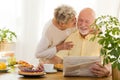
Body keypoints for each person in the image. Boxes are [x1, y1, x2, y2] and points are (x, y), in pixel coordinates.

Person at [56, 8, 111, 77]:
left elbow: (111, 64)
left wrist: (108, 72)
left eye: (87, 21)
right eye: (80, 20)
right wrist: (44, 64)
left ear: (94, 23)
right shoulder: (71, 36)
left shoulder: (102, 39)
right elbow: (58, 58)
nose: (82, 24)